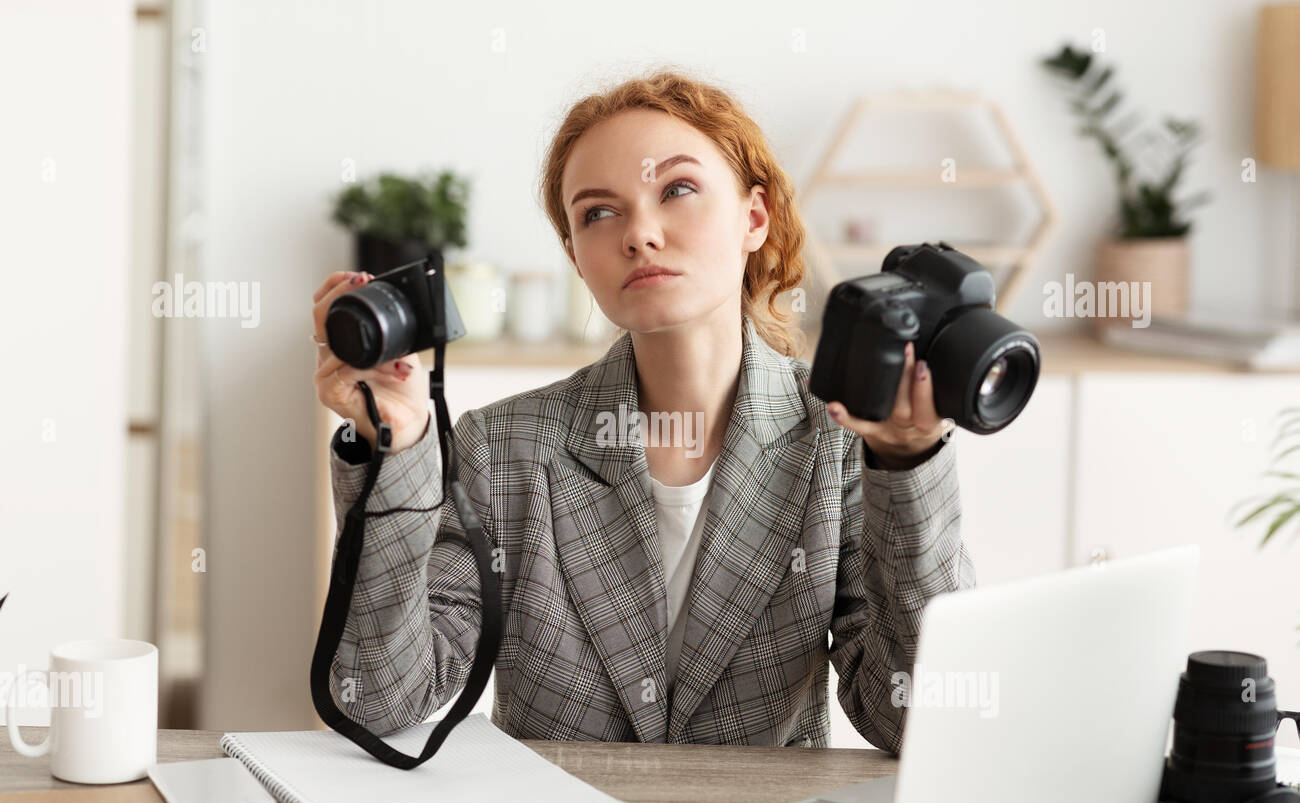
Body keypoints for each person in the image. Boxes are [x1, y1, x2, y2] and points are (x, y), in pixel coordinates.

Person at [310, 69, 976, 753]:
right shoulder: (502, 447)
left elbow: (915, 721)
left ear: (755, 217)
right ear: (575, 254)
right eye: (599, 213)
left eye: (678, 190)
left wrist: (908, 461)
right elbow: (381, 698)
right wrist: (401, 446)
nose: (640, 234)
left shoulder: (841, 437)